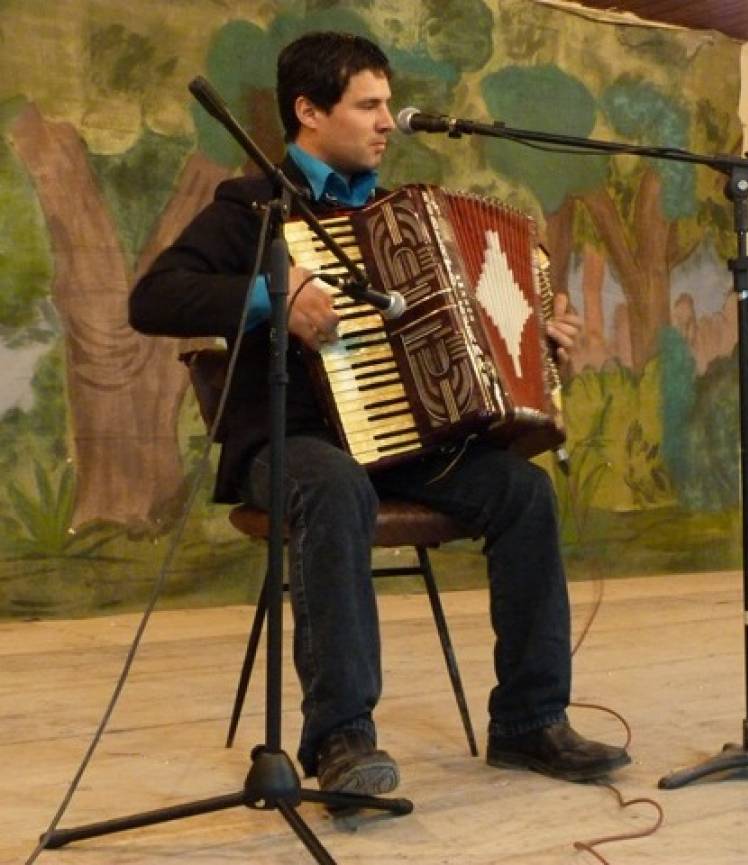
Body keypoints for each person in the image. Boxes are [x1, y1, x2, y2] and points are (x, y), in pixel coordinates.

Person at [129, 30, 630, 797]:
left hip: (409, 441)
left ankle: (530, 721)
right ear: (309, 111)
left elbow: (473, 337)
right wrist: (274, 296)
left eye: (387, 104)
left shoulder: (407, 215)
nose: (388, 121)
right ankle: (342, 738)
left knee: (524, 493)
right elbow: (153, 298)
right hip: (291, 438)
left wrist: (535, 333)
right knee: (334, 486)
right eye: (368, 105)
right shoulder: (252, 208)